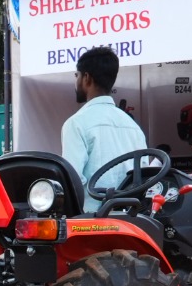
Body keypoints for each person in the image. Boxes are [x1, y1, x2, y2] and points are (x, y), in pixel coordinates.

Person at [60, 46, 149, 201]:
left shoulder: (76, 124)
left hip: (90, 221)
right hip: (131, 218)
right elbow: (144, 176)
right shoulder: (133, 127)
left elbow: (71, 181)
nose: (76, 81)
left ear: (86, 77)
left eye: (77, 75)